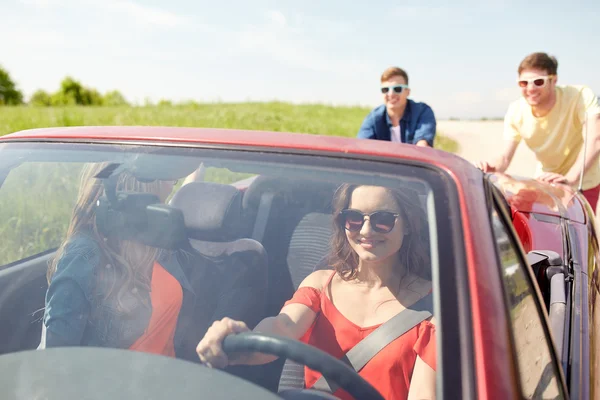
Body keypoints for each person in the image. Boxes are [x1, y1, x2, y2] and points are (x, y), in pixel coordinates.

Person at [196, 183, 436, 400]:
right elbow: (282, 327)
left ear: (408, 225)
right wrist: (235, 340)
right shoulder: (321, 285)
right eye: (353, 218)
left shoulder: (432, 310)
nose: (365, 230)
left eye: (382, 219)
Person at [39, 162, 196, 357]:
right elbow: (54, 359)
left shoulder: (152, 237)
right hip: (119, 384)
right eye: (169, 177)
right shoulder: (83, 257)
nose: (173, 183)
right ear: (140, 188)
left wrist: (198, 163)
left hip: (165, 378)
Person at [475, 52, 600, 213]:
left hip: (583, 178)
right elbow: (505, 157)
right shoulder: (516, 110)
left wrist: (570, 178)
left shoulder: (580, 95)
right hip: (546, 179)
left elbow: (595, 140)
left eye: (538, 82)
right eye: (523, 83)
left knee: (580, 231)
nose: (530, 89)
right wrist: (491, 167)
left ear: (554, 80)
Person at [357, 67, 437, 147]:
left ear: (407, 92)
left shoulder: (422, 112)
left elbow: (422, 146)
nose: (391, 94)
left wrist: (422, 144)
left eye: (397, 89)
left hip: (413, 159)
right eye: (385, 90)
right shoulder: (374, 119)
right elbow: (362, 147)